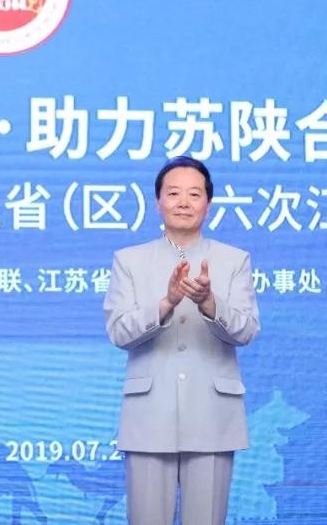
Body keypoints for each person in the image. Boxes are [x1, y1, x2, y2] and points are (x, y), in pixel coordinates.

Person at [103, 156, 259, 524]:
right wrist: (166, 303)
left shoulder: (234, 260)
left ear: (209, 203)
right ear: (158, 201)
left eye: (194, 194)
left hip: (213, 415)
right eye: (173, 193)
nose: (184, 202)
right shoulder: (129, 260)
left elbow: (248, 330)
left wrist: (210, 304)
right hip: (149, 415)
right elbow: (119, 332)